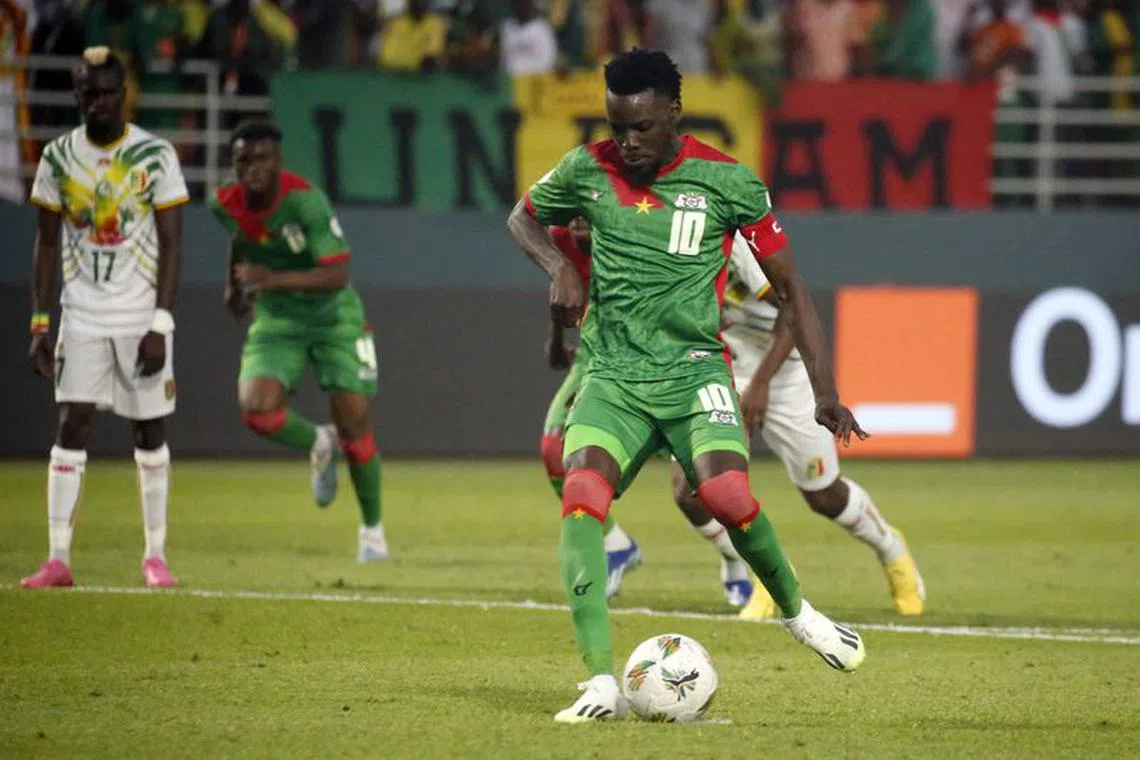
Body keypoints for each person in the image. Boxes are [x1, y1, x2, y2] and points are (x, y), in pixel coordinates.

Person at [508, 48, 867, 723]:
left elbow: (793, 290)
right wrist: (558, 264)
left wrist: (824, 391)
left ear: (673, 112)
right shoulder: (588, 167)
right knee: (581, 494)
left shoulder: (728, 181)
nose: (628, 142)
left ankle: (800, 614)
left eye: (641, 127)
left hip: (696, 369)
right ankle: (599, 684)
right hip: (614, 375)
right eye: (618, 126)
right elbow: (521, 217)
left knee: (728, 494)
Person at [22, 47, 188, 589]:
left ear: (125, 94)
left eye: (108, 92)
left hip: (139, 314)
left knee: (149, 428)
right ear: (77, 96)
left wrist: (161, 323)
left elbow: (171, 244)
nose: (99, 101)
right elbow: (45, 245)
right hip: (83, 315)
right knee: (72, 423)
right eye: (89, 92)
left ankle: (156, 555)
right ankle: (58, 558)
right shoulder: (57, 158)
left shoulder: (156, 156)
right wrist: (41, 324)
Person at [540, 217, 755, 608]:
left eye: (589, 215)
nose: (580, 225)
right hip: (600, 355)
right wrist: (557, 337)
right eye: (572, 216)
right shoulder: (558, 241)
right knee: (556, 447)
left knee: (695, 488)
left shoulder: (639, 226)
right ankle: (614, 543)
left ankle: (735, 556)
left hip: (669, 355)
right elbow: (562, 289)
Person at [207, 119, 387, 564]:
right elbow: (241, 236)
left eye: (261, 159)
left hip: (334, 318)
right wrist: (234, 285)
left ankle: (372, 531)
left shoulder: (305, 201)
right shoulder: (222, 202)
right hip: (278, 319)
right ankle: (316, 442)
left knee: (355, 425)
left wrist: (270, 278)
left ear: (278, 162)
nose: (252, 169)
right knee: (257, 410)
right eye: (242, 160)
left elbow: (338, 273)